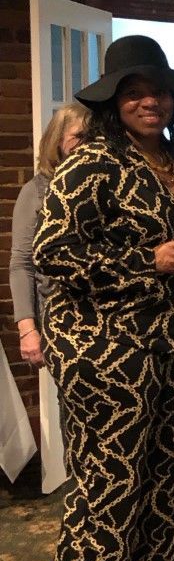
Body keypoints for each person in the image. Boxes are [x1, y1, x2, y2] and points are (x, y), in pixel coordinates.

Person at [33, 35, 174, 561]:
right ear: (113, 101)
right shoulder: (91, 163)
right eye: (134, 91)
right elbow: (51, 255)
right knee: (105, 488)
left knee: (159, 474)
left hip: (164, 347)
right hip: (105, 352)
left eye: (157, 90)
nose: (148, 100)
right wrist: (147, 261)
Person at [11, 103, 89, 370]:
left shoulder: (100, 186)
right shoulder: (36, 190)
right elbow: (21, 264)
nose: (87, 145)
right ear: (57, 141)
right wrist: (27, 330)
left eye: (94, 138)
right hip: (59, 324)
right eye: (79, 136)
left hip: (103, 324)